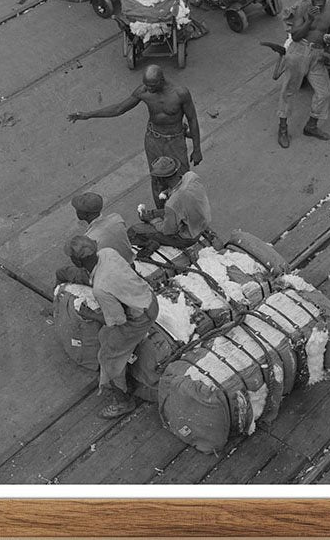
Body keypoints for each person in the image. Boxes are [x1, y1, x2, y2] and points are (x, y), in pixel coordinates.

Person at [68, 64, 201, 207]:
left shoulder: (180, 93)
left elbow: (192, 119)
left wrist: (197, 149)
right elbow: (119, 108)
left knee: (181, 178)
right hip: (153, 140)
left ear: (161, 80)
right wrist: (89, 115)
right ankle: (162, 213)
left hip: (175, 141)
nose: (148, 89)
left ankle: (187, 211)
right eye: (146, 85)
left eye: (152, 86)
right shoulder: (143, 91)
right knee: (157, 179)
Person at [64, 235, 159, 419]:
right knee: (105, 336)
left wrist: (89, 314)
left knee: (107, 358)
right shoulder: (108, 253)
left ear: (76, 261)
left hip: (139, 319)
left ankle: (123, 402)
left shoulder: (100, 288)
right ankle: (126, 368)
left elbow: (118, 320)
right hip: (150, 299)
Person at [274, 0, 330, 148]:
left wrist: (329, 41)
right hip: (299, 51)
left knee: (324, 93)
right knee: (289, 91)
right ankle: (282, 129)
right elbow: (296, 36)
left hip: (317, 54)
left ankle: (311, 126)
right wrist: (309, 20)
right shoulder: (304, 7)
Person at [128, 156, 212, 250]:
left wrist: (151, 220)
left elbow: (168, 230)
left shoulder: (172, 203)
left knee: (134, 230)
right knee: (164, 213)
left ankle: (150, 245)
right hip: (200, 224)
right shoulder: (191, 177)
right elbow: (182, 199)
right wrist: (168, 192)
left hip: (187, 238)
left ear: (161, 179)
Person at [55, 192, 134, 285]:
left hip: (111, 276)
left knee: (61, 272)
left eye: (78, 210)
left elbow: (88, 265)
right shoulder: (116, 218)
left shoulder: (89, 239)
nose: (76, 211)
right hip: (130, 264)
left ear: (85, 214)